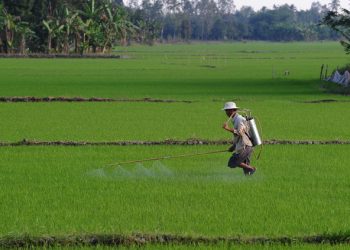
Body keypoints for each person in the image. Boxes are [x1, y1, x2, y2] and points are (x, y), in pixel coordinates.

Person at [222, 102, 256, 175]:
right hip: (245, 146)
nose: (226, 112)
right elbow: (239, 136)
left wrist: (227, 128)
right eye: (226, 111)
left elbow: (240, 133)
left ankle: (252, 168)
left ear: (233, 110)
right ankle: (249, 181)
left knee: (232, 162)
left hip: (245, 146)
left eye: (228, 110)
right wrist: (233, 146)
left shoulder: (239, 119)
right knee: (246, 170)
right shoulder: (235, 119)